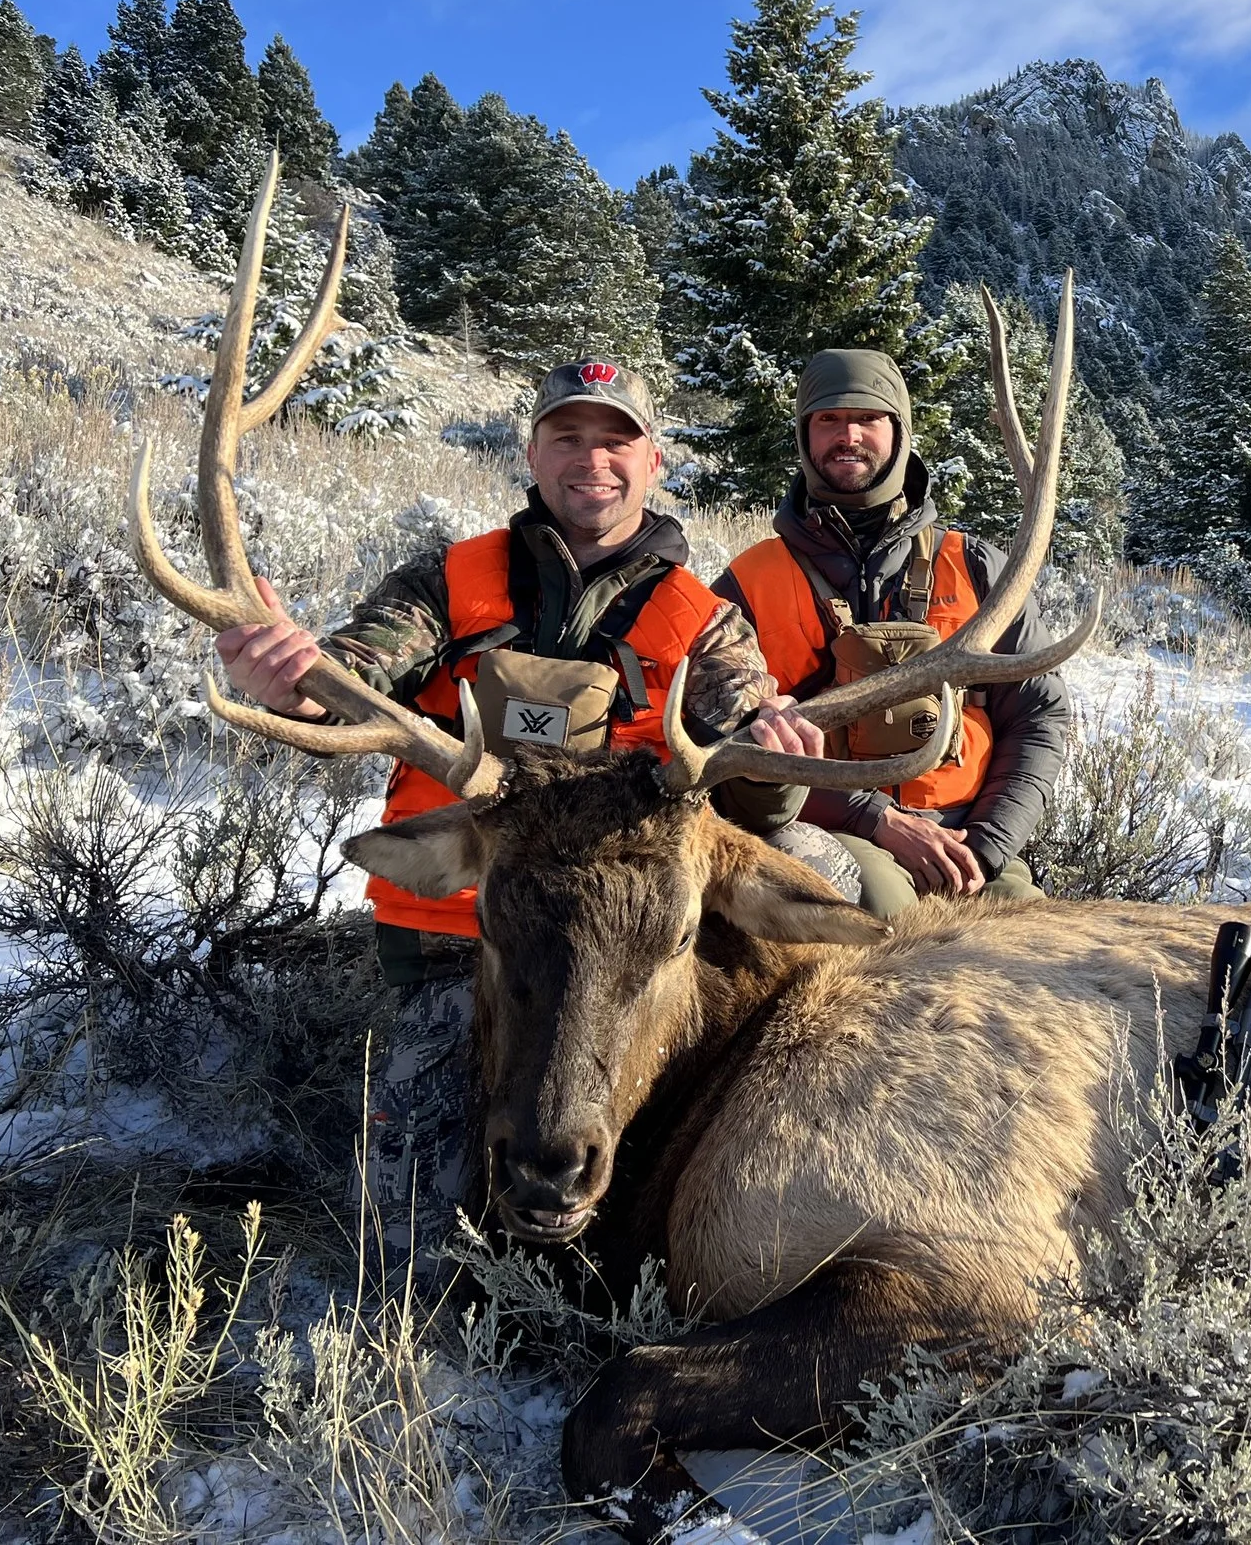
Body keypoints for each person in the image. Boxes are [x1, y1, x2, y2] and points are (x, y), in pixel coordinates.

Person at [215, 357, 835, 1254]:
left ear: (653, 460)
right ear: (533, 453)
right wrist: (289, 679)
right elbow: (349, 676)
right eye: (567, 438)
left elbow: (752, 772)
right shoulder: (448, 585)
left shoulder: (700, 621)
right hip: (455, 933)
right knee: (411, 1238)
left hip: (616, 965)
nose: (593, 460)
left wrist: (774, 749)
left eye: (616, 440)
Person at [718, 346, 1069, 918]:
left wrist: (987, 844)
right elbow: (728, 745)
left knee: (1042, 951)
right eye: (827, 419)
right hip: (833, 834)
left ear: (899, 431)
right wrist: (875, 819)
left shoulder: (979, 568)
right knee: (883, 921)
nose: (847, 434)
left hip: (968, 836)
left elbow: (1038, 716)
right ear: (804, 436)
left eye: (868, 418)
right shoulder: (748, 582)